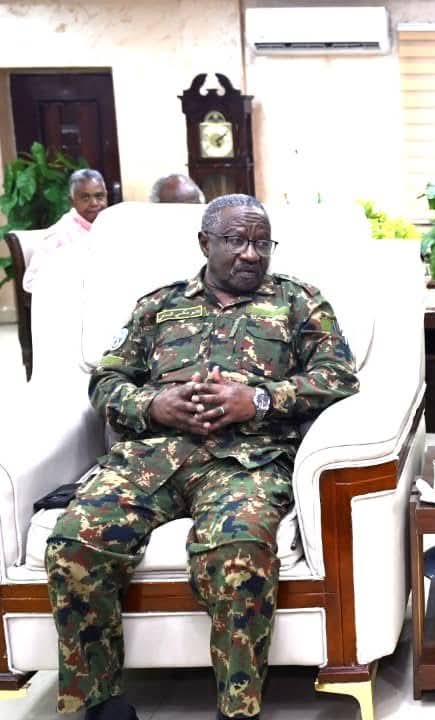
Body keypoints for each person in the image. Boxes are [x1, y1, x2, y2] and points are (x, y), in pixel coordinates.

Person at [44, 194, 359, 720]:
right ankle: (102, 704)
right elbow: (106, 381)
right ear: (205, 243)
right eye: (236, 240)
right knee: (74, 542)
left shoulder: (299, 302)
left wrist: (258, 399)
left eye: (262, 242)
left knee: (238, 552)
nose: (251, 254)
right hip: (151, 458)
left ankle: (237, 710)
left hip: (248, 459)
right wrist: (153, 405)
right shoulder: (159, 305)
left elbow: (339, 378)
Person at [22, 168, 108, 293]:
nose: (94, 203)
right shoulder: (59, 235)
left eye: (99, 196)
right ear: (72, 201)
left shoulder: (112, 225)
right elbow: (30, 282)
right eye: (85, 198)